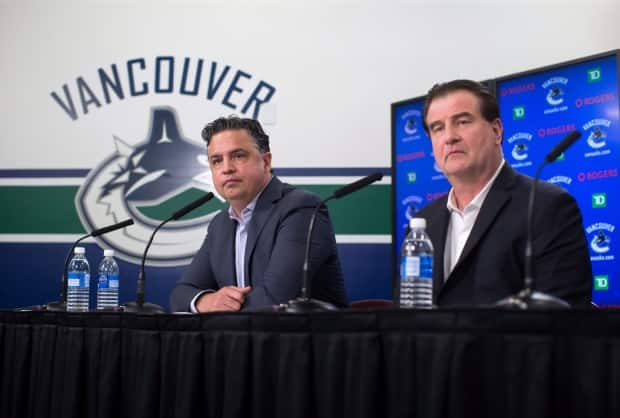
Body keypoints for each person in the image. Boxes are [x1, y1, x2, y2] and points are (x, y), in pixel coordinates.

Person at [416, 79, 592, 307]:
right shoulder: (424, 223)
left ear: (496, 131)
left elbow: (562, 319)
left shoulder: (547, 207)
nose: (450, 136)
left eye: (462, 122)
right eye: (437, 128)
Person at [170, 116, 348, 312]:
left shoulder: (301, 209)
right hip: (244, 340)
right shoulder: (220, 225)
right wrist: (206, 301)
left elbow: (277, 299)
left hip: (306, 339)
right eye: (217, 160)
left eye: (238, 156)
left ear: (266, 161)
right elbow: (181, 294)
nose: (227, 168)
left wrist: (221, 307)